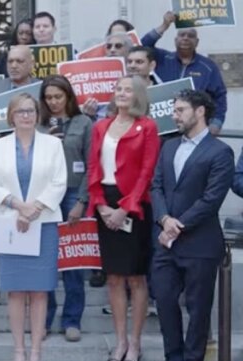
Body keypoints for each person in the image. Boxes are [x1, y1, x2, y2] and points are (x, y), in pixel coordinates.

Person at [151, 90, 233, 361]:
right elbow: (157, 186)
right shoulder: (169, 146)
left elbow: (212, 199)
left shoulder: (221, 151)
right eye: (174, 110)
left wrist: (179, 224)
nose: (175, 116)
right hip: (167, 242)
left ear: (199, 112)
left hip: (200, 244)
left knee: (198, 311)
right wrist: (164, 219)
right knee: (164, 302)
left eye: (180, 110)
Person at [0, 92, 67, 361]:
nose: (26, 116)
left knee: (40, 291)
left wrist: (34, 210)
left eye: (31, 110)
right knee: (16, 291)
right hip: (10, 225)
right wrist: (20, 207)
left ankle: (36, 351)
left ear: (38, 114)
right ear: (11, 116)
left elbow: (59, 182)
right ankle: (19, 349)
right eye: (21, 111)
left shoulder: (53, 144)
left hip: (43, 224)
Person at [87, 76, 160, 361]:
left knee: (136, 278)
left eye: (128, 90)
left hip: (135, 205)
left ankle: (136, 341)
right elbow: (93, 166)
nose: (121, 93)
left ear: (138, 95)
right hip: (105, 202)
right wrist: (101, 205)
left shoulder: (148, 127)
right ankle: (119, 341)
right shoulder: (101, 126)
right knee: (114, 278)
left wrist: (125, 208)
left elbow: (147, 171)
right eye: (118, 89)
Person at [39, 76, 93, 342]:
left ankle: (72, 319)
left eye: (58, 97)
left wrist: (82, 201)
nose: (53, 102)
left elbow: (92, 165)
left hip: (73, 193)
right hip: (46, 196)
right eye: (48, 97)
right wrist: (45, 141)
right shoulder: (38, 126)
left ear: (68, 97)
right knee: (47, 260)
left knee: (72, 261)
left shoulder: (84, 123)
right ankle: (45, 318)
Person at [141, 11, 226, 134]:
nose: (186, 38)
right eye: (182, 35)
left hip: (195, 129)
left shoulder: (208, 67)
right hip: (163, 130)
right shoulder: (162, 58)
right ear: (175, 40)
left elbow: (220, 97)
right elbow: (142, 46)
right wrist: (164, 25)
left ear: (197, 42)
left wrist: (216, 123)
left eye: (190, 36)